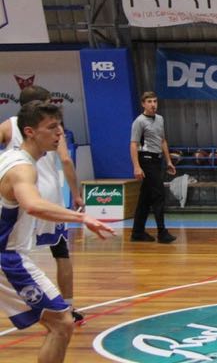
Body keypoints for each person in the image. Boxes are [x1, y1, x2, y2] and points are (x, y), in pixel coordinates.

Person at [0, 100, 114, 362]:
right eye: (52, 127)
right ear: (30, 132)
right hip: (7, 258)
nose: (60, 133)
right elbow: (32, 204)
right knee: (62, 323)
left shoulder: (9, 157)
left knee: (60, 322)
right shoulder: (22, 168)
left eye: (60, 126)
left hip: (9, 254)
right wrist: (81, 216)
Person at [0, 86, 85, 323]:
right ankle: (67, 305)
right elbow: (65, 159)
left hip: (20, 190)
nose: (58, 131)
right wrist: (77, 197)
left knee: (17, 244)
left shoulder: (9, 126)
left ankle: (50, 306)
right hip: (42, 193)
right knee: (60, 252)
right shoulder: (45, 131)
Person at [129, 92, 177, 243]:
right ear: (143, 104)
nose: (153, 104)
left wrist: (168, 161)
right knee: (158, 194)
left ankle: (137, 233)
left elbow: (162, 141)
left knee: (146, 197)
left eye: (155, 101)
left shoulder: (160, 119)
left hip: (157, 160)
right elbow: (133, 144)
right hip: (146, 159)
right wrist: (137, 167)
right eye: (149, 101)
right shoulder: (139, 121)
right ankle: (162, 232)